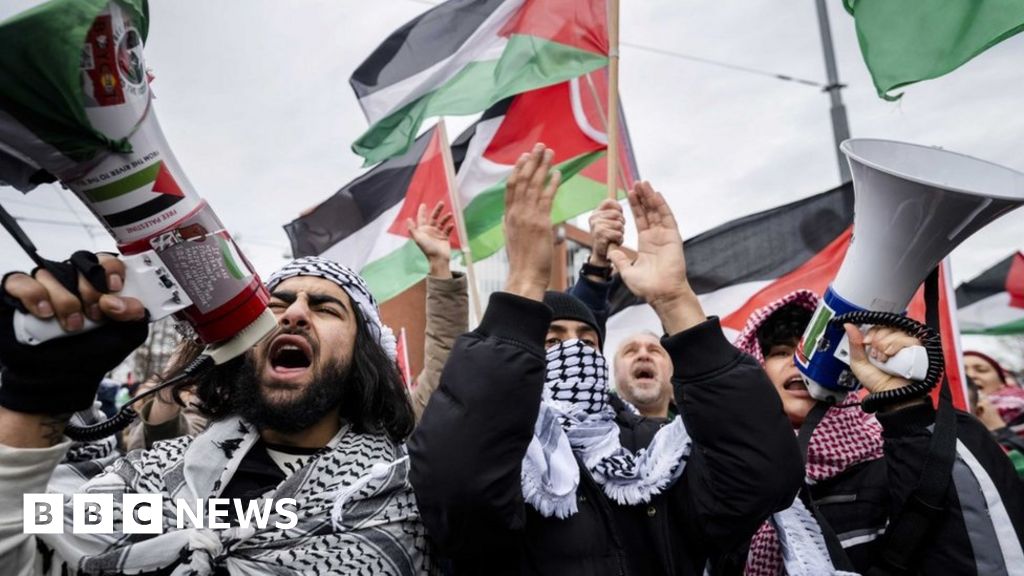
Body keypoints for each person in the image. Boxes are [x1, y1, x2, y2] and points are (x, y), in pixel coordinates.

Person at [408, 144, 803, 575]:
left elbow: (764, 477)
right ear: (525, 358)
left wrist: (676, 302)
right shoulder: (509, 458)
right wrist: (522, 283)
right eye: (552, 340)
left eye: (586, 340)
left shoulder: (658, 449)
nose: (574, 349)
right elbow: (455, 490)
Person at [0, 253, 435, 575]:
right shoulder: (153, 474)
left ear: (363, 357)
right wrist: (37, 397)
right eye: (277, 305)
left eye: (325, 308)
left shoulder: (388, 502)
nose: (296, 315)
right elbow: (20, 546)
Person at [726, 290, 1024, 575]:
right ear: (754, 366)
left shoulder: (898, 453)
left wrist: (905, 407)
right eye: (781, 352)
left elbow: (978, 545)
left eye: (814, 349)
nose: (799, 361)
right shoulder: (728, 478)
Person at [613, 332, 674, 419]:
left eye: (654, 351)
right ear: (615, 372)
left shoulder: (695, 426)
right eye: (630, 351)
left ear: (672, 371)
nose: (643, 355)